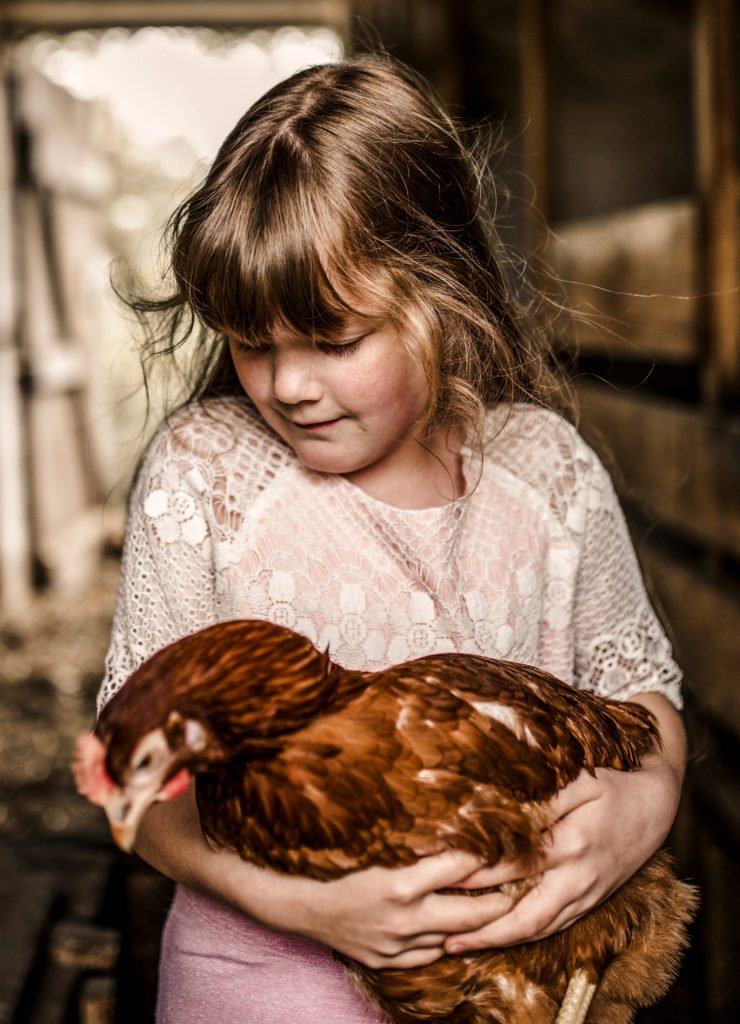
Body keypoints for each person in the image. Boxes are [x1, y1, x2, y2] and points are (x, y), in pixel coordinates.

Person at [99, 54, 686, 1024]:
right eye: (254, 341)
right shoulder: (204, 474)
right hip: (259, 983)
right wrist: (308, 906)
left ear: (441, 293)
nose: (287, 383)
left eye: (331, 339)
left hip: (514, 984)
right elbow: (140, 781)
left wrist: (645, 803)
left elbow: (640, 695)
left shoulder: (544, 471)